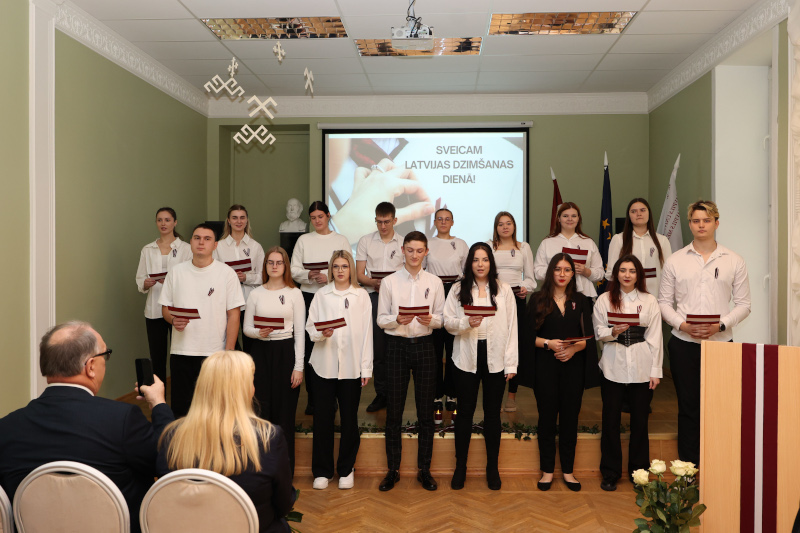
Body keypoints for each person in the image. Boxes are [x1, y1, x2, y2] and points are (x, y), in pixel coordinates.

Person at [0, 321, 174, 533]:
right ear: (90, 366)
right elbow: (168, 463)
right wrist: (159, 405)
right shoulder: (122, 419)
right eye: (105, 355)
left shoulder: (6, 428)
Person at [157, 350, 295, 533]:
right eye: (251, 382)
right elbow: (284, 504)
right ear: (245, 390)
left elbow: (167, 497)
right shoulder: (269, 439)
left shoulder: (172, 436)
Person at [658, 200, 750, 466]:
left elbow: (744, 305)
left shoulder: (734, 260)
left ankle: (718, 466)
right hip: (683, 344)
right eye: (696, 221)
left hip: (721, 344)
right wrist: (683, 325)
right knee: (688, 406)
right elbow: (663, 303)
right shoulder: (675, 260)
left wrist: (720, 325)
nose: (701, 225)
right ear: (689, 224)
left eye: (707, 220)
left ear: (716, 223)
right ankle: (689, 469)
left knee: (720, 406)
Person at [519, 253, 599, 492]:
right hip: (545, 366)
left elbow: (588, 338)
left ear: (573, 274)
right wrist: (548, 344)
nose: (562, 274)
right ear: (550, 272)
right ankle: (547, 471)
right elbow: (527, 337)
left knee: (570, 420)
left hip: (573, 367)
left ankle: (568, 471)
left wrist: (573, 349)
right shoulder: (537, 299)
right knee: (546, 419)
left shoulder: (581, 300)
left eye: (567, 270)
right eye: (558, 269)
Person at [444, 242, 517, 491]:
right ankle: (460, 467)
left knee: (492, 414)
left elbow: (512, 328)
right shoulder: (458, 288)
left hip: (495, 356)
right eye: (475, 260)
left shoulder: (503, 289)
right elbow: (447, 322)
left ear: (491, 262)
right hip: (466, 357)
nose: (480, 264)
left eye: (485, 259)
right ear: (469, 263)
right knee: (464, 413)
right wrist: (466, 323)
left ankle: (492, 469)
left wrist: (511, 362)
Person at [377, 231, 445, 492]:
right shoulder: (389, 282)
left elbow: (442, 318)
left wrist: (432, 320)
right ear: (402, 250)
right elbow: (381, 319)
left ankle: (424, 470)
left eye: (419, 250)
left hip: (426, 347)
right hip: (396, 347)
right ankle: (392, 470)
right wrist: (396, 320)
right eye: (410, 250)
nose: (414, 255)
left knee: (426, 414)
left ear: (426, 252)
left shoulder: (435, 282)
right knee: (393, 413)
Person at [158, 223, 245, 417]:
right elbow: (165, 308)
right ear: (190, 242)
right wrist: (173, 320)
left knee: (214, 411)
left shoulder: (226, 273)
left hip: (214, 352)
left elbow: (234, 315)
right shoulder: (176, 272)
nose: (201, 242)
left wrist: (229, 352)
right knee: (182, 410)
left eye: (207, 239)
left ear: (215, 245)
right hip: (181, 351)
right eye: (197, 238)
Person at [593, 255, 663, 492]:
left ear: (638, 275)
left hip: (642, 366)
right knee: (610, 421)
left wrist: (655, 371)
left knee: (640, 422)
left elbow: (655, 338)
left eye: (632, 271)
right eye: (622, 270)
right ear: (615, 274)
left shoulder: (649, 301)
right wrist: (613, 331)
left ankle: (639, 473)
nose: (627, 275)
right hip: (612, 365)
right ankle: (610, 473)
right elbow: (598, 331)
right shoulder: (604, 299)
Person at [306, 250, 372, 490]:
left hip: (352, 367)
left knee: (349, 419)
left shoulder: (361, 295)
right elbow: (310, 327)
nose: (340, 270)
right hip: (323, 365)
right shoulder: (321, 295)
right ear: (331, 269)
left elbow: (367, 333)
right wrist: (321, 334)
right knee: (322, 418)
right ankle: (322, 471)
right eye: (336, 266)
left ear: (351, 269)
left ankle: (346, 469)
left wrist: (366, 367)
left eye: (344, 266)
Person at [244, 246, 305, 474]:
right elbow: (246, 328)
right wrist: (258, 333)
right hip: (260, 352)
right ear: (265, 266)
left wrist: (298, 367)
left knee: (285, 415)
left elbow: (300, 333)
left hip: (286, 351)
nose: (275, 266)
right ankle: (261, 470)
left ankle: (285, 472)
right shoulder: (255, 293)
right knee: (261, 412)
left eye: (279, 262)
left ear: (285, 266)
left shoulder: (295, 293)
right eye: (270, 262)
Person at [290, 201, 350, 415]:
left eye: (320, 217)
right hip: (308, 296)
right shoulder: (304, 240)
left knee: (333, 343)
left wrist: (328, 276)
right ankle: (313, 398)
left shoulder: (340, 240)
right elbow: (293, 269)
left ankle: (332, 397)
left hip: (333, 297)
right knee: (310, 345)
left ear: (328, 216)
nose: (317, 221)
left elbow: (348, 267)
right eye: (313, 218)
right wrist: (309, 275)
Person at [356, 202, 405, 413]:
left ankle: (396, 394)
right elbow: (359, 275)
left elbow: (408, 274)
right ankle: (382, 393)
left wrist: (390, 286)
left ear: (395, 220)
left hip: (398, 299)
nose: (383, 226)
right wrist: (373, 282)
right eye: (379, 222)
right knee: (378, 348)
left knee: (397, 346)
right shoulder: (365, 240)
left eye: (386, 221)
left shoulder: (403, 242)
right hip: (374, 296)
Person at [135, 207, 191, 383]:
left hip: (177, 309)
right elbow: (140, 278)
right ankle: (158, 397)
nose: (163, 223)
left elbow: (191, 278)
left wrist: (171, 281)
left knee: (179, 357)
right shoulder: (148, 249)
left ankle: (179, 398)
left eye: (167, 220)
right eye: (160, 220)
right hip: (154, 310)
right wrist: (145, 283)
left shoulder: (186, 249)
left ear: (175, 222)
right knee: (157, 358)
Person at [488, 211, 535, 412]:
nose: (505, 227)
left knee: (516, 345)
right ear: (496, 227)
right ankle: (495, 394)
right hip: (494, 300)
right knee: (495, 344)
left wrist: (526, 287)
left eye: (508, 223)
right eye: (501, 224)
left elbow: (531, 278)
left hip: (517, 300)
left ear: (514, 226)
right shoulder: (489, 246)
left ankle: (512, 396)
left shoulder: (524, 247)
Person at [425, 207, 469, 414]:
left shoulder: (461, 244)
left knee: (453, 347)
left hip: (455, 292)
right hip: (433, 292)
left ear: (452, 222)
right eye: (439, 219)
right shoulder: (427, 243)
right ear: (434, 222)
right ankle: (435, 394)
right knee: (434, 348)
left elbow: (467, 272)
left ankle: (452, 393)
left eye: (447, 219)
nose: (443, 222)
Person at [214, 204, 265, 354]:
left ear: (247, 220)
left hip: (250, 301)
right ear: (228, 221)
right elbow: (213, 275)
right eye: (235, 218)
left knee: (252, 344)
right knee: (230, 344)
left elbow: (264, 276)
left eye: (242, 217)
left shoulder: (255, 247)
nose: (239, 221)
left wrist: (246, 277)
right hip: (227, 302)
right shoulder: (219, 247)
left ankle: (250, 368)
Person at [534, 202, 604, 299]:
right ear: (559, 219)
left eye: (574, 216)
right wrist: (557, 270)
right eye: (565, 216)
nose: (570, 219)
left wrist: (586, 271)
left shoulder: (588, 242)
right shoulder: (547, 243)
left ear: (578, 219)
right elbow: (537, 272)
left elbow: (600, 273)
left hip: (584, 294)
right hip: (554, 295)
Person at [605, 198, 672, 296]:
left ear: (649, 213)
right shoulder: (618, 239)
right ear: (629, 216)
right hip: (626, 297)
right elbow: (611, 273)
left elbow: (668, 273)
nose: (639, 214)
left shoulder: (662, 240)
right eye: (633, 211)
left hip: (654, 296)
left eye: (642, 210)